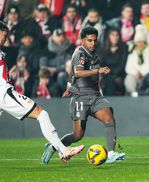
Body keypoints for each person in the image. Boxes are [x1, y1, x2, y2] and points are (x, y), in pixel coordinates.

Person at [0, 21, 84, 163]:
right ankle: (64, 150)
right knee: (42, 114)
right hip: (3, 93)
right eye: (4, 35)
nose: (6, 38)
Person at [41, 27, 126, 164]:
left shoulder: (94, 55)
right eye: (89, 40)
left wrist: (69, 85)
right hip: (80, 97)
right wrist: (98, 70)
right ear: (82, 40)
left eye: (94, 40)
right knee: (77, 135)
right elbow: (78, 72)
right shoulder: (80, 53)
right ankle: (53, 146)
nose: (92, 43)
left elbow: (72, 72)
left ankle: (110, 154)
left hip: (95, 96)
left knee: (109, 119)